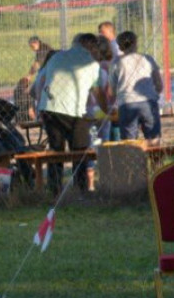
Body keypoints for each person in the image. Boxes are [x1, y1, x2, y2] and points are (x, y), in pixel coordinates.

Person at [33, 33, 104, 192]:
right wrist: (106, 110)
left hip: (49, 108)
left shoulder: (56, 57)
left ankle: (54, 189)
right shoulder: (92, 64)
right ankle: (81, 189)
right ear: (90, 46)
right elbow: (98, 93)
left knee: (56, 150)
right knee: (79, 151)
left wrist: (39, 105)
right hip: (74, 112)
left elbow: (39, 83)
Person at [108, 30, 164, 142]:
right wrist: (154, 93)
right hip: (148, 101)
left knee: (129, 141)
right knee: (154, 139)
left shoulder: (116, 62)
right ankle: (156, 158)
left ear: (119, 46)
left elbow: (112, 90)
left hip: (127, 103)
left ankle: (133, 158)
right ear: (135, 43)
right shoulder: (147, 58)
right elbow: (159, 83)